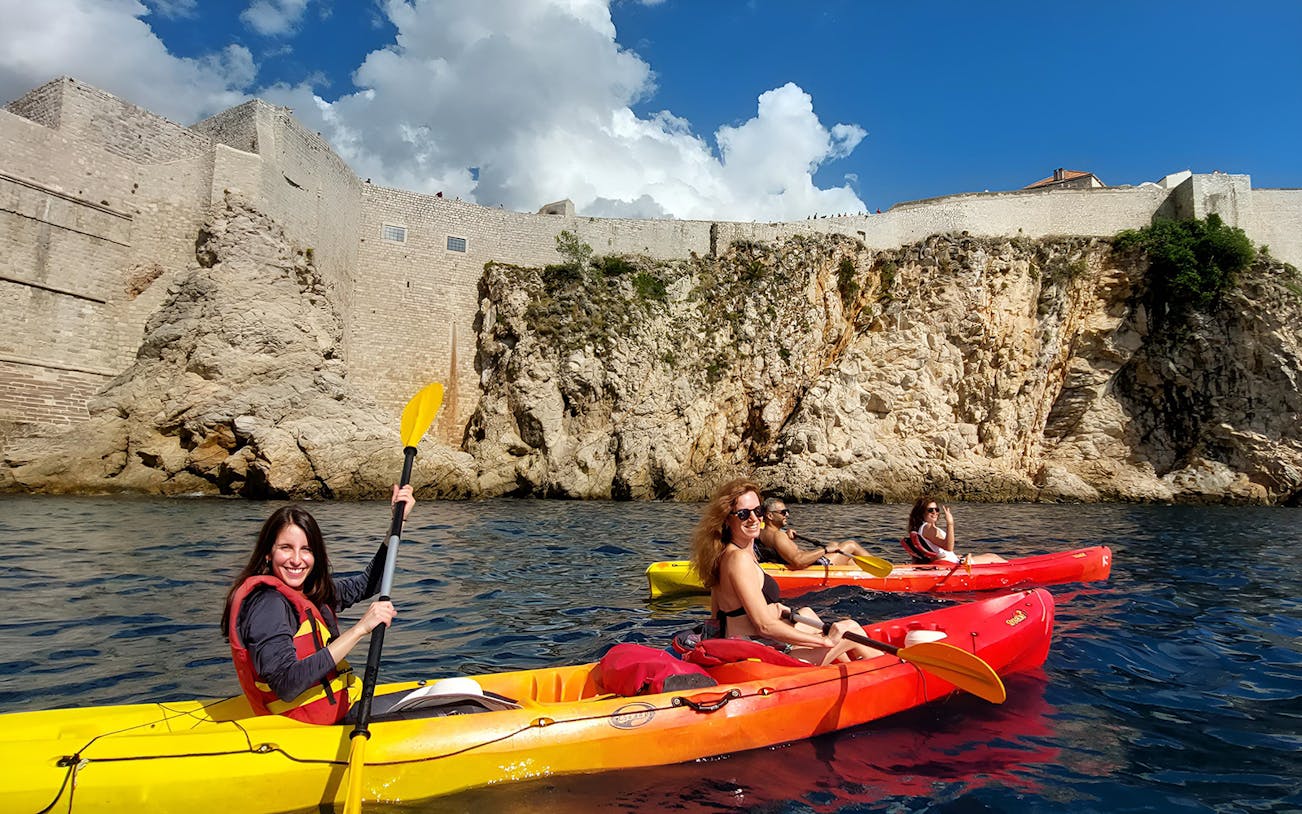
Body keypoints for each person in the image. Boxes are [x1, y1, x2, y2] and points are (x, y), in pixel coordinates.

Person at [220, 485, 415, 724]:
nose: (296, 560)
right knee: (460, 707)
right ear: (268, 553)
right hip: (304, 728)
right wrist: (360, 630)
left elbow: (368, 584)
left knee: (458, 694)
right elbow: (286, 684)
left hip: (339, 710)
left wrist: (398, 522)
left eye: (306, 550)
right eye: (286, 548)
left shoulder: (310, 592)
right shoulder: (267, 605)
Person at [689, 477, 881, 665]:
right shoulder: (739, 559)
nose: (754, 518)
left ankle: (842, 668)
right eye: (743, 514)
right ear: (726, 520)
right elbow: (764, 626)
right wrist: (825, 641)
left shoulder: (722, 555)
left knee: (806, 612)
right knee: (850, 629)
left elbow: (718, 618)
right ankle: (887, 670)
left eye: (758, 511)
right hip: (758, 657)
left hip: (747, 647)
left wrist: (772, 610)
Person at [757, 496, 877, 569]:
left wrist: (786, 536)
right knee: (850, 545)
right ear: (770, 515)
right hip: (813, 567)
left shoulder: (761, 532)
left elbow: (776, 542)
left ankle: (862, 575)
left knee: (846, 556)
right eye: (783, 512)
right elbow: (798, 561)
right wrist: (825, 550)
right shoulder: (778, 536)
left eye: (787, 511)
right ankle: (887, 573)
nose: (787, 515)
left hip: (802, 561)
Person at [904, 497, 1005, 565]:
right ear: (921, 512)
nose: (935, 512)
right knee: (993, 557)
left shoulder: (921, 529)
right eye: (930, 510)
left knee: (990, 556)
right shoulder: (928, 528)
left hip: (950, 561)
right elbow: (949, 547)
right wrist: (950, 523)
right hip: (953, 564)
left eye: (937, 509)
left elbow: (933, 551)